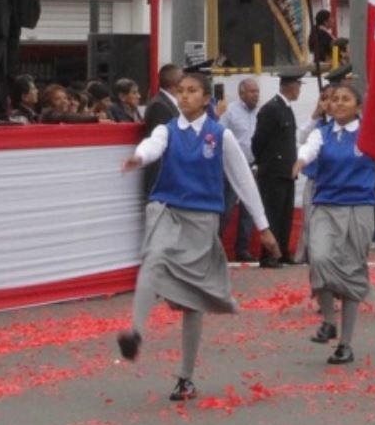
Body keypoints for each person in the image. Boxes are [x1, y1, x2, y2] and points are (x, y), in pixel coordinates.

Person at [118, 71, 279, 400]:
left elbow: (243, 181)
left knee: (193, 299)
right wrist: (139, 156)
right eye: (181, 91)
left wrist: (263, 227)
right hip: (166, 209)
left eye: (192, 91)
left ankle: (185, 377)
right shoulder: (166, 130)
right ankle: (135, 331)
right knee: (153, 257)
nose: (185, 96)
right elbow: (152, 145)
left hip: (202, 220)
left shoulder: (220, 136)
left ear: (207, 99)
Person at [292, 81, 375, 364]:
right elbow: (308, 149)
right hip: (325, 207)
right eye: (334, 99)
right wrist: (300, 161)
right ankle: (328, 320)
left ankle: (345, 343)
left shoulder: (367, 137)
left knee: (351, 273)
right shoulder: (322, 134)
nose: (338, 103)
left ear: (359, 106)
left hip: (359, 209)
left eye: (345, 99)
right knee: (320, 259)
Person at [252, 75, 303, 267]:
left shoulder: (286, 108)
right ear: (291, 86)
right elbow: (258, 141)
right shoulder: (271, 109)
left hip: (286, 171)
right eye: (298, 86)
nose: (299, 90)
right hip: (273, 171)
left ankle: (282, 251)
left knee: (284, 215)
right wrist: (265, 163)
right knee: (272, 213)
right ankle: (269, 255)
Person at [220, 78, 262, 261]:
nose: (256, 95)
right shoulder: (230, 112)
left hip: (252, 168)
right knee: (226, 210)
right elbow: (219, 136)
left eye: (257, 91)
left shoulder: (260, 113)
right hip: (231, 169)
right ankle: (216, 246)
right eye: (252, 92)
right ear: (241, 93)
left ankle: (242, 250)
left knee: (249, 211)